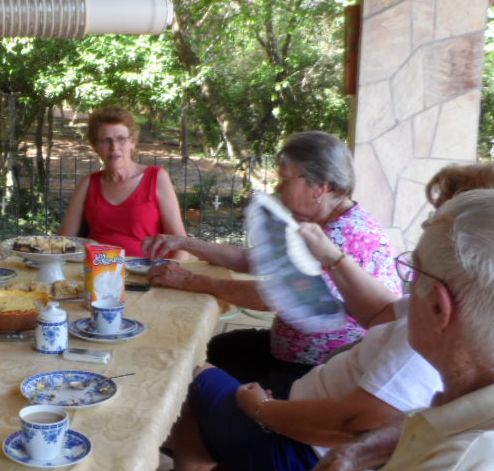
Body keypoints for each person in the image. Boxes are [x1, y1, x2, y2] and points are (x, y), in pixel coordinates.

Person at [114, 189, 494, 471]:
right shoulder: (471, 403)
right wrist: (357, 452)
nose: (404, 291)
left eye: (412, 273)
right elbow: (389, 354)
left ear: (440, 307)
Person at [168, 162, 494, 471]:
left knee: (189, 373)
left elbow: (355, 422)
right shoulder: (437, 311)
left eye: (438, 216)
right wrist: (332, 256)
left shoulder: (435, 333)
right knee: (221, 360)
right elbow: (383, 311)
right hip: (301, 428)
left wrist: (263, 409)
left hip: (298, 457)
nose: (424, 226)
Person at [144, 131, 400, 396]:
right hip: (292, 352)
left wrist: (189, 280)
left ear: (320, 187)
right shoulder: (326, 221)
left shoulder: (343, 235)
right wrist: (184, 243)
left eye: (285, 179)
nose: (278, 188)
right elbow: (253, 260)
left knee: (197, 377)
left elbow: (276, 298)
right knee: (208, 349)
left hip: (316, 373)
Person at [58, 107, 188, 258]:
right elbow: (64, 241)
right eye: (106, 141)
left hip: (145, 272)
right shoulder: (88, 184)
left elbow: (180, 245)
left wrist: (172, 275)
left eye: (121, 139)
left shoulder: (156, 178)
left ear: (132, 143)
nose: (114, 147)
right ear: (96, 147)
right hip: (97, 271)